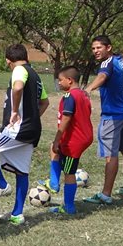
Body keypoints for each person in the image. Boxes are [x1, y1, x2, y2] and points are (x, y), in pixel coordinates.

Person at [0, 44, 49, 225]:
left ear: (8, 60)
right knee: (21, 171)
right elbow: (45, 102)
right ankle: (17, 214)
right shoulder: (36, 75)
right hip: (32, 130)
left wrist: (15, 112)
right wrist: (32, 119)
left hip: (18, 129)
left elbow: (17, 88)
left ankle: (1, 184)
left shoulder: (19, 70)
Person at [82, 35, 123, 204]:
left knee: (110, 156)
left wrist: (88, 89)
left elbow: (102, 77)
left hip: (112, 115)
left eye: (99, 47)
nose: (96, 51)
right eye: (93, 48)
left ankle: (105, 195)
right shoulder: (120, 61)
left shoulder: (107, 62)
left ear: (108, 47)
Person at [42, 66, 93, 214]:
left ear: (69, 80)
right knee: (53, 148)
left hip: (75, 140)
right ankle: (53, 183)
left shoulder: (70, 96)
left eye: (60, 80)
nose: (58, 83)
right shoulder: (83, 95)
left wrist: (58, 138)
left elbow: (67, 117)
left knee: (69, 173)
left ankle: (68, 207)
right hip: (83, 136)